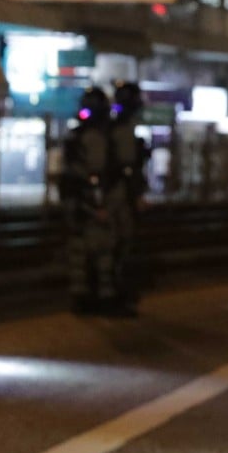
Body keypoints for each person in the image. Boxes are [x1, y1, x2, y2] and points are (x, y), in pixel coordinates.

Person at [60, 87, 118, 314]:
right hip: (89, 203)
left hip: (76, 203)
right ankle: (103, 299)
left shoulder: (75, 135)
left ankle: (81, 298)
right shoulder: (95, 137)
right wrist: (100, 205)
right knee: (102, 253)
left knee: (78, 255)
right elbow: (97, 174)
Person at [107, 81, 149, 316]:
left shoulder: (114, 126)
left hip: (116, 192)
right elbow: (128, 167)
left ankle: (115, 291)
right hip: (119, 194)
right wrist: (137, 194)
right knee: (120, 242)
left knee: (118, 243)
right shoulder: (123, 129)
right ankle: (117, 293)